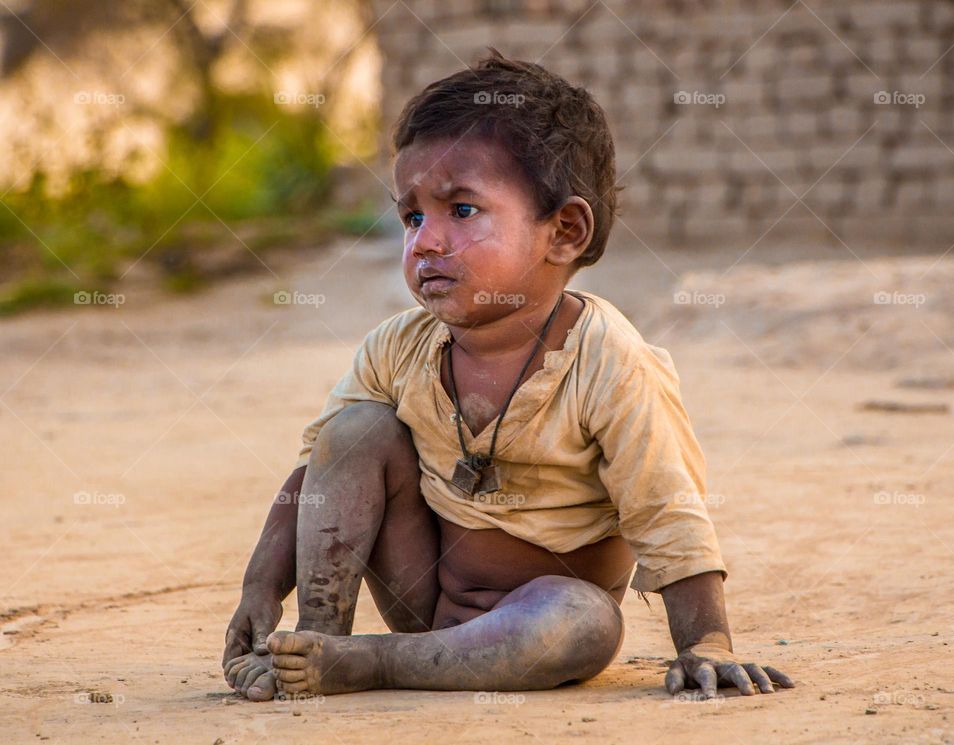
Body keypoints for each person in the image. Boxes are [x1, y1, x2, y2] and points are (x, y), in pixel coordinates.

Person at [222, 49, 793, 701]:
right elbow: (311, 475)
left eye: (461, 210)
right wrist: (259, 589)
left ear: (564, 231)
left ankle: (370, 662)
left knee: (585, 621)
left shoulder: (610, 361)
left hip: (538, 620)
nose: (425, 241)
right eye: (412, 215)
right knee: (353, 429)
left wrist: (706, 644)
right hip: (424, 600)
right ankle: (314, 641)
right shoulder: (396, 348)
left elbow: (667, 509)